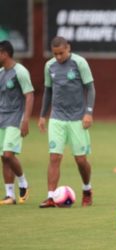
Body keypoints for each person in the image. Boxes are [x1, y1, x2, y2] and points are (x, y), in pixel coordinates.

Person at [38, 36, 95, 208]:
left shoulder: (80, 63)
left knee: (80, 160)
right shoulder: (49, 66)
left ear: (68, 48)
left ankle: (87, 189)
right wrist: (42, 115)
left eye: (61, 53)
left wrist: (89, 113)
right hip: (57, 118)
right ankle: (50, 196)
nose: (59, 57)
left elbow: (90, 88)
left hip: (77, 118)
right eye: (55, 54)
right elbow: (48, 92)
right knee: (55, 157)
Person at [0, 40, 34, 205]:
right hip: (2, 118)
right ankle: (9, 195)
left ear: (4, 54)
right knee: (3, 157)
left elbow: (29, 95)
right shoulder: (1, 73)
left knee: (8, 154)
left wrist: (25, 120)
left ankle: (23, 183)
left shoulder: (20, 71)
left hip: (15, 118)